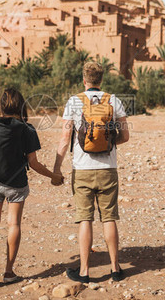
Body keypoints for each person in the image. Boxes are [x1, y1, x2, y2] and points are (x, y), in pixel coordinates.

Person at [0, 88, 64, 286]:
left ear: (2, 106)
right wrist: (54, 176)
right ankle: (8, 272)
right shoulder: (28, 129)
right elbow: (34, 163)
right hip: (17, 184)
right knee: (13, 224)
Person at [53, 62, 130, 283]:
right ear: (101, 80)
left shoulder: (74, 101)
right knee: (109, 218)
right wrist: (107, 143)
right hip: (108, 169)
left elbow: (65, 138)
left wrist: (57, 169)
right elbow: (125, 137)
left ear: (84, 80)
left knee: (85, 219)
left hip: (82, 169)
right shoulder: (113, 100)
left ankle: (85, 271)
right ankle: (115, 269)